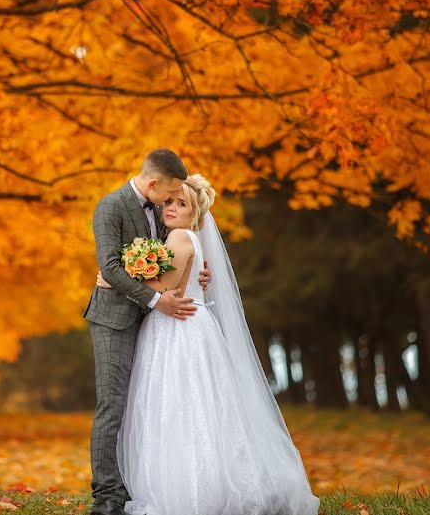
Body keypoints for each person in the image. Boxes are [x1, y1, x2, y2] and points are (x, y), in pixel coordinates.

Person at [97, 174, 320, 515]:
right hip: (181, 325)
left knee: (179, 407)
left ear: (195, 214)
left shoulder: (181, 238)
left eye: (181, 204)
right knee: (191, 405)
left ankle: (192, 488)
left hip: (178, 330)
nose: (171, 208)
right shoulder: (184, 238)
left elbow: (165, 288)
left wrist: (114, 280)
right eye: (169, 202)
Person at [84, 149, 210, 515]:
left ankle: (143, 484)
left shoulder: (163, 208)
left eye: (176, 199)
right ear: (153, 184)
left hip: (157, 325)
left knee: (150, 405)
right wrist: (158, 301)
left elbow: (176, 252)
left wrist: (196, 275)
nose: (171, 203)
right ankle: (107, 496)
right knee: (113, 405)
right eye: (168, 195)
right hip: (114, 319)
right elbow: (109, 265)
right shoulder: (110, 207)